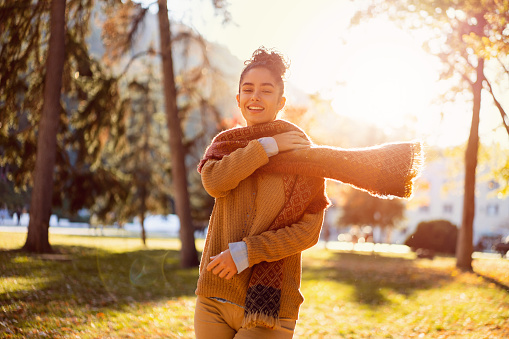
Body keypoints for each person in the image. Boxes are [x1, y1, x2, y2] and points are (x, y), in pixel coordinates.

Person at [194, 47, 423, 338]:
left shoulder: (302, 154)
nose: (255, 96)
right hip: (214, 294)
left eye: (266, 90)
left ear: (281, 101)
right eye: (248, 89)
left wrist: (247, 253)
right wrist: (267, 148)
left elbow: (307, 232)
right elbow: (215, 182)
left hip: (270, 307)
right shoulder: (225, 144)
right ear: (238, 99)